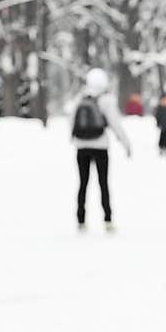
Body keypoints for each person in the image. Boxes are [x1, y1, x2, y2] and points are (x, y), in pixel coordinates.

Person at [71, 67, 131, 231]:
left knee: (83, 183)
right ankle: (107, 219)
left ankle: (81, 219)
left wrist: (74, 138)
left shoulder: (80, 98)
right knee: (103, 183)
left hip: (81, 146)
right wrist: (125, 143)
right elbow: (115, 124)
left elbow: (72, 120)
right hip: (100, 146)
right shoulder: (106, 100)